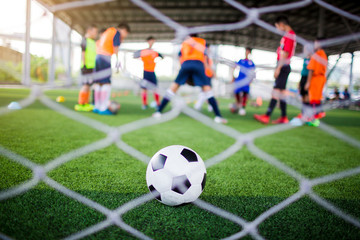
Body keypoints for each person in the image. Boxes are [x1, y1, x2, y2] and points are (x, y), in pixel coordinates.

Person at [153, 34, 227, 124]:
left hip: (186, 64)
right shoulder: (202, 41)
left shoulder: (185, 42)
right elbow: (205, 58)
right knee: (207, 90)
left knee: (173, 88)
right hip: (198, 64)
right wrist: (205, 74)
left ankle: (158, 112)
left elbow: (180, 57)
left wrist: (182, 70)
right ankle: (218, 116)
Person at [254, 16, 296, 124]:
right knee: (281, 93)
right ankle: (284, 117)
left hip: (283, 66)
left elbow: (285, 53)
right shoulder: (288, 35)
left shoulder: (289, 35)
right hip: (284, 66)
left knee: (276, 91)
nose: (277, 29)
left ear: (281, 24)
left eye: (277, 27)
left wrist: (278, 68)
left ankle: (267, 116)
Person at [93, 23, 130, 115]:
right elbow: (115, 47)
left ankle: (97, 107)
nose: (125, 36)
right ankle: (103, 108)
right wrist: (117, 61)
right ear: (124, 30)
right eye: (126, 34)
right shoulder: (117, 33)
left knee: (99, 82)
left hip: (98, 57)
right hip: (105, 57)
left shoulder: (108, 31)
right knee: (107, 83)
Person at [134, 36, 163, 109]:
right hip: (146, 72)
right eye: (151, 41)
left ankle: (157, 104)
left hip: (152, 72)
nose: (152, 42)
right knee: (144, 89)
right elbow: (134, 56)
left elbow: (162, 57)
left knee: (155, 89)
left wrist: (157, 61)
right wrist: (140, 59)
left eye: (153, 41)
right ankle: (144, 104)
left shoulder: (155, 52)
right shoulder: (143, 51)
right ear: (148, 41)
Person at [303, 37, 328, 126]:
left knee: (313, 98)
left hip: (316, 78)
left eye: (316, 43)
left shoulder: (317, 54)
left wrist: (308, 82)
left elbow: (311, 69)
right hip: (321, 78)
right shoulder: (323, 54)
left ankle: (315, 115)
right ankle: (317, 114)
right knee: (317, 97)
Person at [74, 24, 98, 112]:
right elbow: (83, 53)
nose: (96, 34)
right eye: (95, 32)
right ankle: (81, 103)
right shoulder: (85, 41)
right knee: (85, 85)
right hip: (86, 67)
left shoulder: (92, 42)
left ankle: (86, 103)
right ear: (89, 31)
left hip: (92, 67)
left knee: (88, 86)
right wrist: (84, 65)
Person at [232, 47, 255, 116]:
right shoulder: (241, 61)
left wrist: (251, 80)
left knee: (245, 93)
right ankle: (239, 104)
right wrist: (233, 77)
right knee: (236, 92)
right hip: (239, 79)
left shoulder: (251, 63)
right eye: (246, 51)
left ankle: (243, 108)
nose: (246, 53)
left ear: (250, 53)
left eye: (248, 51)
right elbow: (235, 67)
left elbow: (253, 72)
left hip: (247, 80)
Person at [194, 45, 214, 112]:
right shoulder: (203, 57)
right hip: (205, 76)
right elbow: (205, 66)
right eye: (207, 49)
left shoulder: (209, 58)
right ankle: (199, 105)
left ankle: (206, 106)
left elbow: (210, 67)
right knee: (206, 92)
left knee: (206, 92)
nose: (208, 50)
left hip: (208, 76)